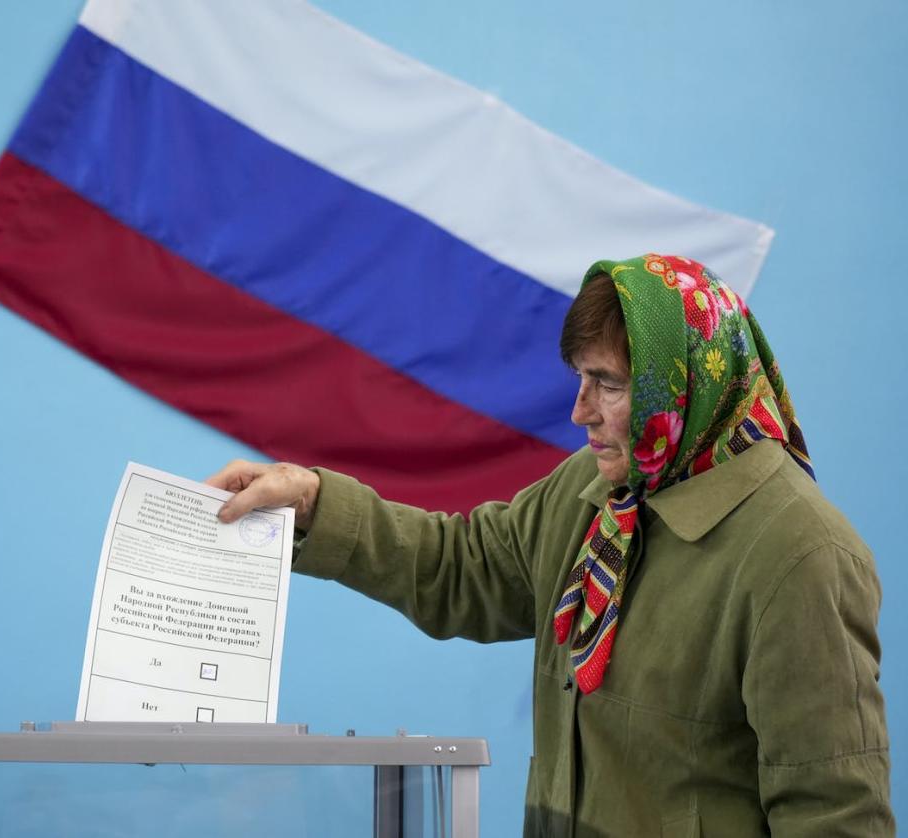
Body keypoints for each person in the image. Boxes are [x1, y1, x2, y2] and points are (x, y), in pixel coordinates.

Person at [206, 254, 892, 837]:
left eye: (611, 385)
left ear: (688, 384)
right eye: (579, 378)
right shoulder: (595, 491)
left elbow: (833, 815)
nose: (579, 411)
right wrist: (311, 503)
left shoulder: (801, 557)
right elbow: (460, 570)